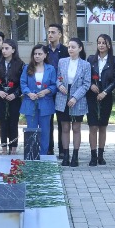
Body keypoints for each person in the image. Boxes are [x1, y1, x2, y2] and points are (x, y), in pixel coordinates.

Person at [55, 38, 91, 167]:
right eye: (69, 47)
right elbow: (58, 78)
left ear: (80, 48)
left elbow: (86, 84)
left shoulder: (85, 65)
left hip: (78, 99)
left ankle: (75, 156)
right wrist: (60, 85)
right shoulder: (62, 62)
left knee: (76, 128)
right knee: (64, 128)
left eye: (73, 47)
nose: (70, 49)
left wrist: (75, 97)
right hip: (62, 97)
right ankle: (65, 155)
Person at [86, 34, 115, 166]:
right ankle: (93, 155)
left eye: (104, 43)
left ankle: (101, 155)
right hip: (92, 95)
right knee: (93, 126)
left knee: (102, 126)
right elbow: (85, 76)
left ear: (109, 45)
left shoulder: (114, 60)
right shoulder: (91, 59)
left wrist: (105, 92)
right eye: (99, 42)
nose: (101, 45)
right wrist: (91, 85)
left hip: (106, 95)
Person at [20, 44, 58, 155]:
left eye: (40, 54)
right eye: (35, 54)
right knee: (31, 130)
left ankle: (43, 154)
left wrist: (46, 91)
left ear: (45, 55)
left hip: (45, 103)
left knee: (45, 130)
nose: (37, 56)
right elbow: (23, 83)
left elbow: (54, 85)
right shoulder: (27, 68)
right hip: (30, 103)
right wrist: (29, 93)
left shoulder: (50, 69)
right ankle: (32, 154)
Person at [0, 39, 24, 155]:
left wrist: (15, 94)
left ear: (13, 50)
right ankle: (4, 148)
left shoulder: (20, 64)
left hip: (14, 97)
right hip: (1, 97)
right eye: (3, 49)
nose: (4, 51)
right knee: (3, 122)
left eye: (7, 48)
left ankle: (13, 148)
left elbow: (22, 82)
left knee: (13, 123)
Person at [45, 23, 69, 156]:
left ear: (60, 34)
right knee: (48, 120)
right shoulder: (44, 50)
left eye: (53, 32)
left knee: (62, 121)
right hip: (47, 90)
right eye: (49, 32)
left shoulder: (66, 51)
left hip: (62, 90)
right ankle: (49, 148)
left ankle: (62, 149)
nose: (50, 35)